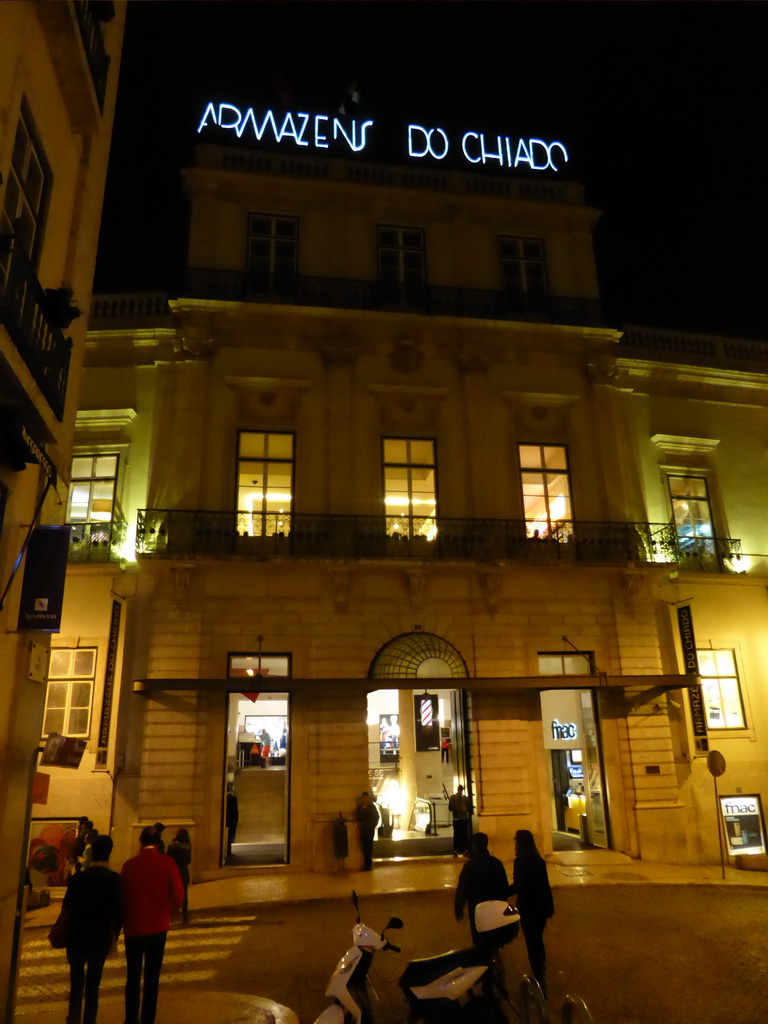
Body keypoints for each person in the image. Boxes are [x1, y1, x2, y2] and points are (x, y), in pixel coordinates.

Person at [121, 825, 184, 1024]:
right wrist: (169, 911)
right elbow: (178, 895)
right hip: (157, 927)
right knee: (152, 978)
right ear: (159, 843)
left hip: (134, 928)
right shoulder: (167, 863)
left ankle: (131, 1019)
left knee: (132, 977)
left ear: (140, 842)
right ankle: (148, 1019)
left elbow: (122, 896)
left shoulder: (129, 865)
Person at [63, 834, 122, 1024]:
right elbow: (118, 912)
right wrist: (114, 934)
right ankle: (90, 1020)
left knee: (76, 982)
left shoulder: (77, 879)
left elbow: (67, 908)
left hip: (76, 937)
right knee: (93, 985)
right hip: (99, 938)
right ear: (109, 854)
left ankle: (73, 1017)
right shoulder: (114, 880)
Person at [508, 829, 554, 998]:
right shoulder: (539, 860)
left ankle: (538, 980)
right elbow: (545, 885)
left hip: (528, 907)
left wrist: (503, 892)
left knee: (532, 942)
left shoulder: (520, 861)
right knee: (538, 941)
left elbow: (519, 885)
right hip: (541, 907)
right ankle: (540, 975)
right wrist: (550, 907)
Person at [454, 832, 509, 946]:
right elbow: (504, 887)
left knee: (478, 939)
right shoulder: (496, 863)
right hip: (494, 908)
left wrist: (459, 907)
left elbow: (462, 888)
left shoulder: (470, 866)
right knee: (494, 939)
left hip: (476, 909)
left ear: (474, 846)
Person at [166, 828, 192, 923]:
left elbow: (168, 858)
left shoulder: (172, 846)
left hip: (173, 870)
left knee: (170, 894)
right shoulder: (187, 846)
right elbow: (189, 860)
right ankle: (184, 916)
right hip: (183, 871)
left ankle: (169, 917)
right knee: (184, 894)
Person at [354, 791, 379, 871]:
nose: (365, 799)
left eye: (366, 798)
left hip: (370, 829)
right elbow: (357, 817)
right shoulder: (359, 808)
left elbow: (376, 816)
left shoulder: (372, 807)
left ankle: (369, 864)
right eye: (364, 798)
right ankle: (366, 864)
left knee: (369, 846)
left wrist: (374, 824)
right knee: (364, 847)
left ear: (368, 798)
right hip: (363, 829)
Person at [448, 784, 471, 857]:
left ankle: (460, 849)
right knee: (461, 835)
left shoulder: (461, 798)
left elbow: (468, 806)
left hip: (459, 818)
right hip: (459, 818)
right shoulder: (459, 798)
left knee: (460, 835)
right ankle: (460, 849)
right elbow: (451, 808)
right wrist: (461, 809)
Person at [226, 784, 239, 858]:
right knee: (230, 836)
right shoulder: (233, 798)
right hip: (232, 820)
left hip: (226, 820)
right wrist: (236, 819)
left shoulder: (224, 798)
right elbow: (235, 810)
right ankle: (228, 851)